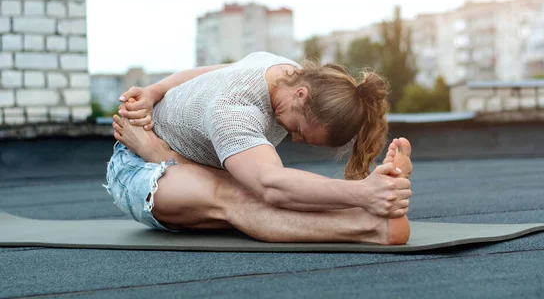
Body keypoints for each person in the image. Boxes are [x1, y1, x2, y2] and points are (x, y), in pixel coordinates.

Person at [106, 52, 413, 244]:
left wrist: (156, 90)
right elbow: (272, 186)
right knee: (244, 194)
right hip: (141, 170)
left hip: (190, 160)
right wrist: (364, 194)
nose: (293, 139)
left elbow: (211, 71)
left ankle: (373, 209)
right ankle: (370, 226)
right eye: (298, 131)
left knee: (267, 184)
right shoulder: (234, 111)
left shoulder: (284, 71)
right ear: (302, 95)